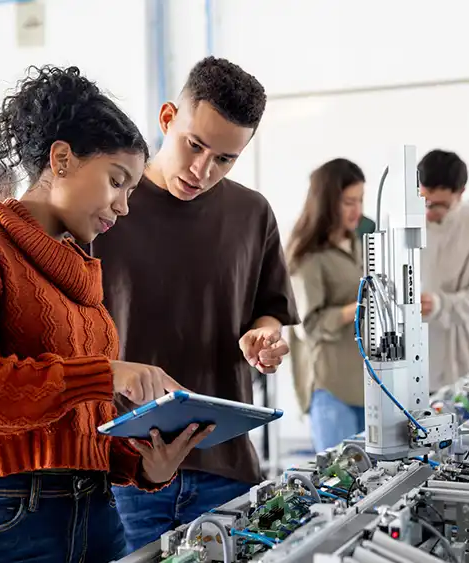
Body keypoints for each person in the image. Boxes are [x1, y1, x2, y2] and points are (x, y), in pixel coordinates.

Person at [0, 65, 212, 563]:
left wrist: (144, 466)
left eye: (131, 190)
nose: (123, 207)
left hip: (99, 515)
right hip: (7, 520)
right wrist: (104, 374)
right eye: (116, 181)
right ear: (60, 159)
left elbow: (76, 426)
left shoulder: (81, 275)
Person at [90, 56, 300, 551]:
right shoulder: (106, 205)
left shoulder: (252, 213)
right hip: (123, 465)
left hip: (225, 466)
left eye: (224, 158)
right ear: (167, 119)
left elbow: (269, 310)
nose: (203, 169)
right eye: (194, 145)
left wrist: (265, 337)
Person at [287, 159, 367, 453]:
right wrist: (354, 309)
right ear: (327, 202)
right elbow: (307, 327)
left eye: (360, 200)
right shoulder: (308, 255)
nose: (357, 210)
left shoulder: (357, 244)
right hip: (331, 387)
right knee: (341, 486)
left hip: (364, 383)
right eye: (349, 202)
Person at [418, 149, 469, 390]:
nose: (429, 210)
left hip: (456, 351)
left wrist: (441, 305)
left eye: (440, 204)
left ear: (461, 193)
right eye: (425, 201)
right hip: (410, 352)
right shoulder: (404, 222)